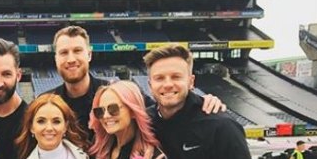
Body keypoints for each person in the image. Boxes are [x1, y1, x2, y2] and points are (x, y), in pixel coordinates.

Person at [48, 25, 225, 132]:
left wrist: (199, 102)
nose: (71, 59)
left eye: (77, 51)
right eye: (63, 52)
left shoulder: (117, 93)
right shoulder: (47, 102)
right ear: (55, 58)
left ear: (89, 54)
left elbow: (162, 111)